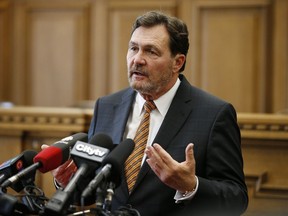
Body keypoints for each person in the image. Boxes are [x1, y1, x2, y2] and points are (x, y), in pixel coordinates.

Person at [50, 11, 248, 216]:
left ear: (177, 63)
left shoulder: (214, 114)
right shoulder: (107, 107)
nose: (137, 59)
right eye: (133, 48)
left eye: (151, 51)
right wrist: (68, 181)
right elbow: (91, 191)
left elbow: (237, 198)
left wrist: (191, 186)